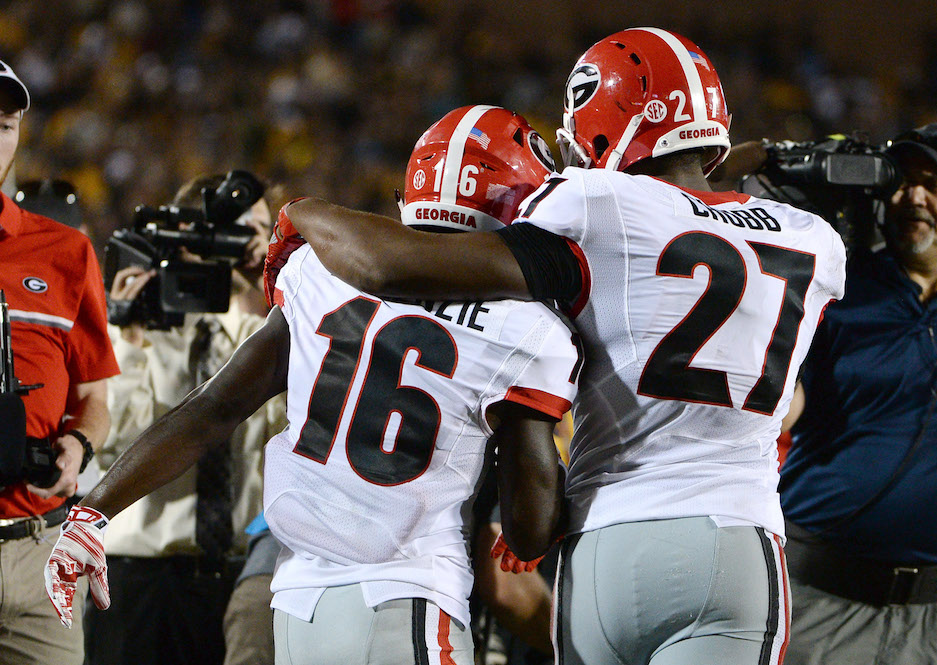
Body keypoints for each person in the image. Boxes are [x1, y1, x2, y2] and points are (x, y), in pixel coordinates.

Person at [282, 27, 847, 665]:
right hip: (733, 533)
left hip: (601, 542)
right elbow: (708, 214)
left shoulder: (592, 204)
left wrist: (306, 214)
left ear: (609, 114)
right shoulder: (815, 240)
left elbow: (402, 265)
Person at [45, 105, 580, 665]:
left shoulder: (321, 272)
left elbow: (211, 411)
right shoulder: (530, 330)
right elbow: (527, 533)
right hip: (411, 596)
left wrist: (94, 510)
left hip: (298, 602)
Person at [776, 123, 937, 665]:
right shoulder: (832, 293)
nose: (912, 197)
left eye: (934, 183)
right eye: (901, 182)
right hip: (827, 601)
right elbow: (782, 410)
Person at [82, 172, 288, 665]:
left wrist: (280, 287)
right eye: (244, 227)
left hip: (232, 571)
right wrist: (127, 334)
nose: (255, 242)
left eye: (266, 229)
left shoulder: (264, 335)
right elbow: (115, 445)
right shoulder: (141, 323)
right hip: (141, 576)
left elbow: (287, 436)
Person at [0, 58, 119, 665]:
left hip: (39, 545)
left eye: (5, 125)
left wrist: (79, 446)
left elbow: (96, 395)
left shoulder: (65, 251)